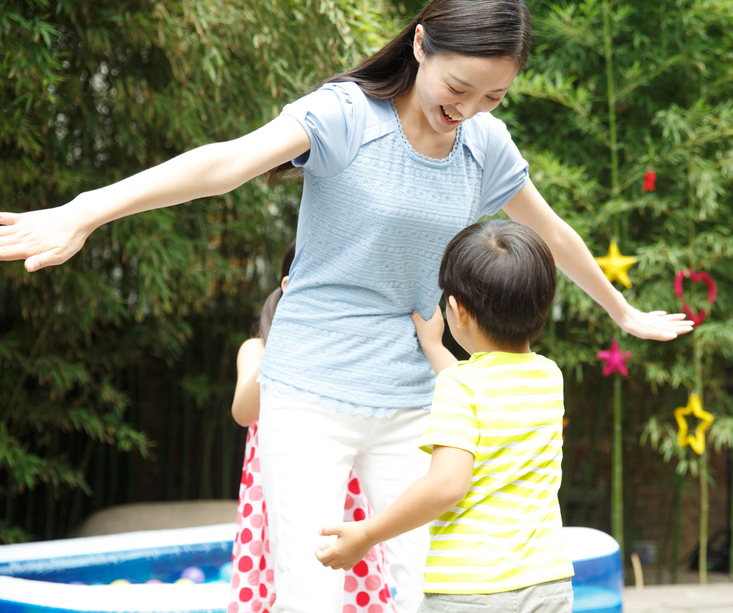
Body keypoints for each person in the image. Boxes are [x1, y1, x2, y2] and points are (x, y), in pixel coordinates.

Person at [0, 1, 692, 610]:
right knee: (310, 591)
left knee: (428, 585)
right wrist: (87, 210)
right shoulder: (345, 116)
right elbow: (221, 165)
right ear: (420, 44)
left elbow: (552, 231)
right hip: (306, 392)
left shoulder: (483, 145)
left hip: (414, 399)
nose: (471, 109)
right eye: (460, 87)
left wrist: (620, 310)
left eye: (494, 97)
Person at [316, 220, 574, 612]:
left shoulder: (460, 387)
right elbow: (487, 389)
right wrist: (434, 347)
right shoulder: (548, 377)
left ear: (456, 310)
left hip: (473, 588)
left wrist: (368, 533)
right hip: (547, 582)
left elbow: (447, 485)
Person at [229, 242, 395, 613]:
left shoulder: (347, 352)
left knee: (351, 579)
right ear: (291, 287)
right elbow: (243, 412)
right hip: (275, 484)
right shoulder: (255, 349)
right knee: (282, 578)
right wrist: (286, 341)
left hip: (344, 485)